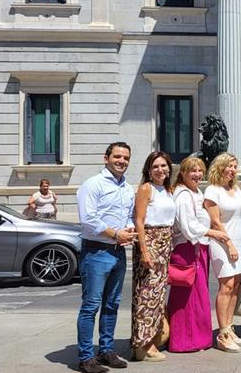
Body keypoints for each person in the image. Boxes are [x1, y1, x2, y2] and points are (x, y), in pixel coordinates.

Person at [75, 142, 136, 373]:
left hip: (118, 252)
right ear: (106, 158)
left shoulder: (127, 188)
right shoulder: (93, 184)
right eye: (117, 156)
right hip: (96, 252)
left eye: (126, 158)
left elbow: (129, 216)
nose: (122, 161)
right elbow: (88, 218)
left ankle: (106, 350)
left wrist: (128, 230)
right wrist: (115, 234)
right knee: (91, 306)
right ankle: (85, 357)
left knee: (112, 304)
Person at [169, 156, 228, 353]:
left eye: (200, 170)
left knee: (198, 296)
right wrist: (214, 233)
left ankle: (198, 339)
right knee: (187, 298)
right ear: (183, 173)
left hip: (198, 249)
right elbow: (188, 226)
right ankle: (184, 341)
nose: (197, 174)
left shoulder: (197, 191)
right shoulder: (183, 195)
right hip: (187, 250)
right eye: (192, 170)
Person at [131, 151, 177, 362]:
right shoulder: (145, 188)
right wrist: (144, 251)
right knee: (145, 296)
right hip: (150, 241)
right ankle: (143, 345)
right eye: (156, 166)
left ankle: (153, 338)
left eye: (164, 166)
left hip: (164, 243)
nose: (160, 170)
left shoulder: (168, 190)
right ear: (149, 170)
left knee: (157, 296)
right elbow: (139, 221)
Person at [204, 153, 241, 353]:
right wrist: (229, 245)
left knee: (236, 286)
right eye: (229, 166)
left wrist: (239, 244)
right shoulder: (212, 190)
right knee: (226, 286)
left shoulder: (235, 189)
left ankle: (230, 327)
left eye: (234, 166)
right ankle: (222, 333)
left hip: (239, 240)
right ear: (219, 167)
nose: (232, 169)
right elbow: (215, 221)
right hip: (222, 241)